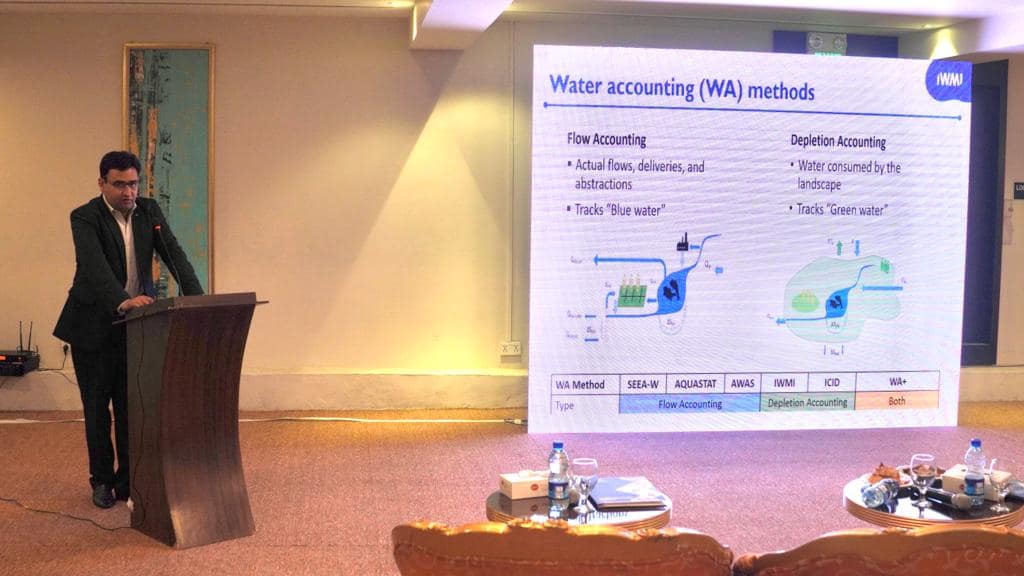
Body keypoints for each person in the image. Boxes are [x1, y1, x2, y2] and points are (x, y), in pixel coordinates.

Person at [54, 150, 204, 509]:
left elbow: (175, 255)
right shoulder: (85, 217)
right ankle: (102, 481)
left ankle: (127, 481)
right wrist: (123, 300)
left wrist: (198, 300)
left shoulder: (149, 211)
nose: (128, 192)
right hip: (92, 325)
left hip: (136, 326)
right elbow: (94, 268)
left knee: (130, 407)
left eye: (133, 184)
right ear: (102, 183)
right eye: (119, 184)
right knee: (97, 409)